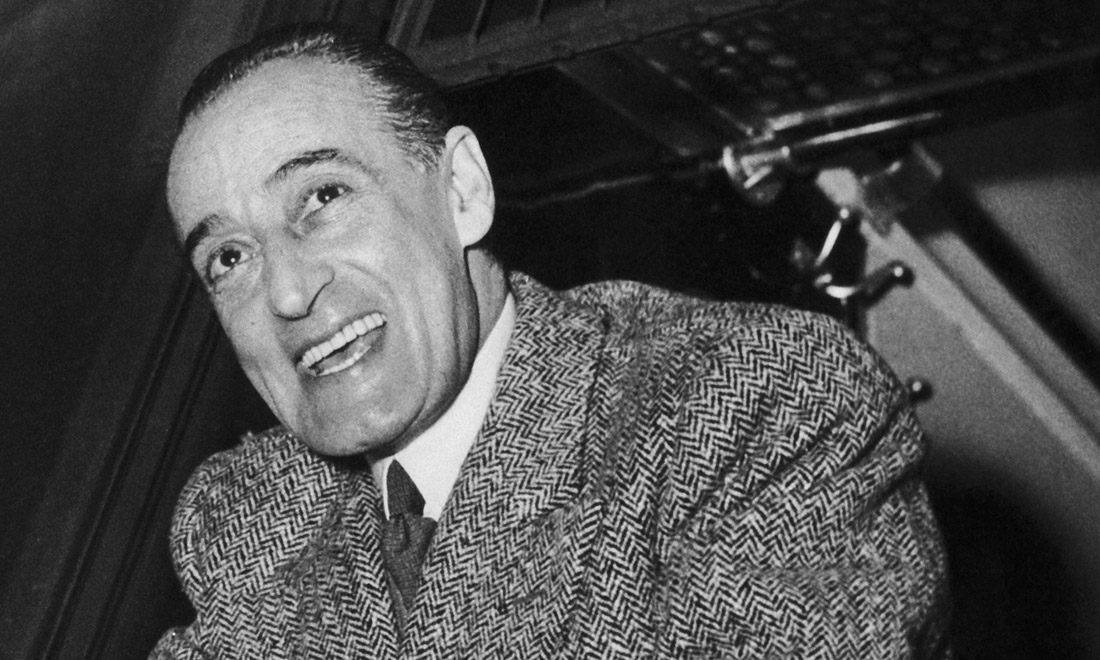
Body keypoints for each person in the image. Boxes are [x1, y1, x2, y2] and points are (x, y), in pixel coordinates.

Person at [152, 23, 949, 659]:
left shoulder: (756, 397)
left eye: (323, 196)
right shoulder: (246, 517)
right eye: (228, 258)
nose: (287, 293)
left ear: (462, 189)